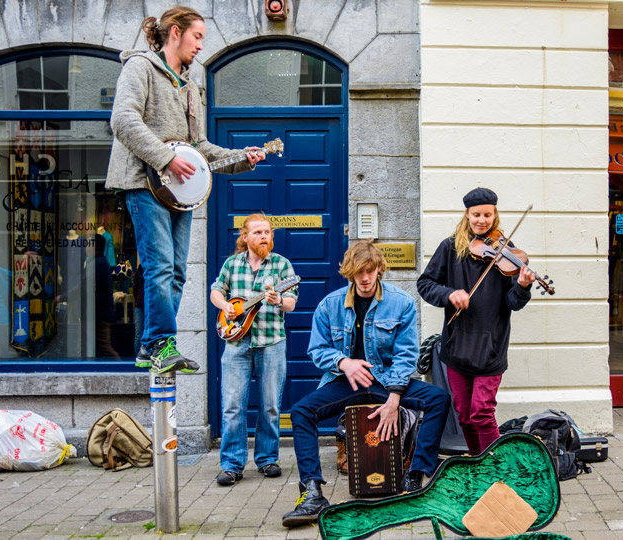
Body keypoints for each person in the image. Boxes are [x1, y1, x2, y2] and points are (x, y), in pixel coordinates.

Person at [105, 5, 266, 374]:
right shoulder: (140, 68)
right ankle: (162, 343)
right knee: (160, 266)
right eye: (197, 37)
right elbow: (123, 119)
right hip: (144, 183)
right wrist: (165, 158)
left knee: (177, 271)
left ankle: (151, 346)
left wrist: (243, 158)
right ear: (174, 32)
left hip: (178, 192)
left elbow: (200, 147)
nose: (200, 46)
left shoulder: (191, 86)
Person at [282, 241, 451, 528]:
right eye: (359, 272)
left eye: (370, 271)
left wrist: (395, 398)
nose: (364, 278)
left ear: (379, 270)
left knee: (438, 399)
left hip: (387, 380)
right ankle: (312, 492)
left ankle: (415, 476)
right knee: (301, 411)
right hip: (347, 381)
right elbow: (317, 349)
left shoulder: (401, 302)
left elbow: (406, 354)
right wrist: (343, 362)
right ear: (349, 272)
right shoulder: (330, 304)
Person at [417, 187, 534, 456]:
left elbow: (513, 303)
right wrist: (449, 294)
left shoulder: (508, 254)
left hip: (490, 346)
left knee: (481, 412)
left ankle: (496, 466)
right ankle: (477, 461)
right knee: (464, 414)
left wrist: (524, 286)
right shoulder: (449, 248)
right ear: (467, 215)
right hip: (457, 345)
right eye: (476, 215)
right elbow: (425, 284)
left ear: (495, 215)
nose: (482, 220)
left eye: (487, 215)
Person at [209, 214, 297, 486]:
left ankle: (267, 458)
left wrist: (278, 299)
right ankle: (232, 464)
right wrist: (225, 307)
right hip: (236, 343)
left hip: (271, 342)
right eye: (258, 232)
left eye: (268, 232)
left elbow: (292, 303)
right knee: (233, 406)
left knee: (270, 405)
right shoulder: (232, 264)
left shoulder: (282, 265)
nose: (264, 237)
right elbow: (216, 291)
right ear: (245, 237)